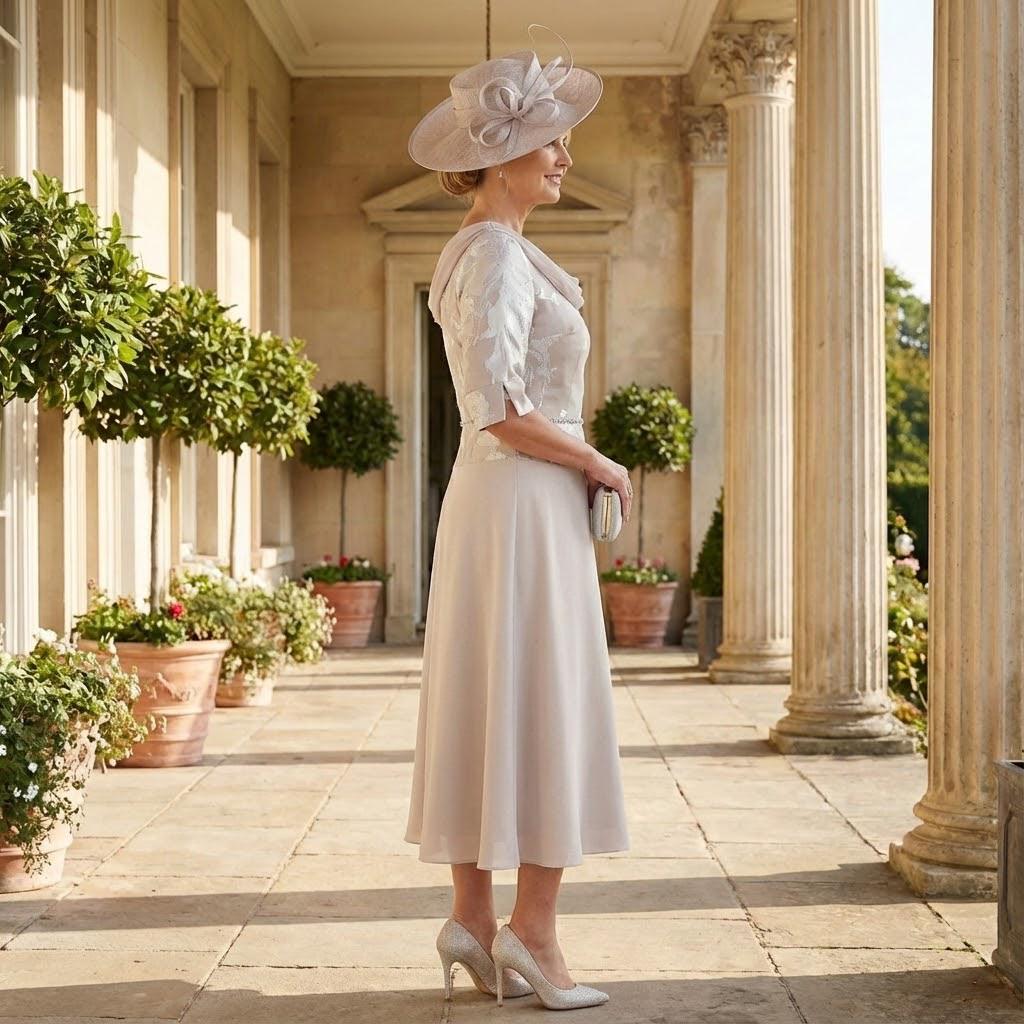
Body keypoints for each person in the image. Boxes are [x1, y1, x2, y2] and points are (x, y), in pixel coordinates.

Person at [403, 25, 633, 1011]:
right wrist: (594, 460)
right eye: (552, 142)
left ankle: (472, 918)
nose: (566, 157)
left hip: (505, 499)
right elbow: (495, 406)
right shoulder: (494, 254)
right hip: (520, 493)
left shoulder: (490, 250)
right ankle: (531, 934)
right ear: (504, 159)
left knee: (495, 693)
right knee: (540, 697)